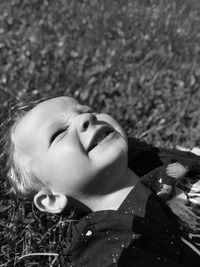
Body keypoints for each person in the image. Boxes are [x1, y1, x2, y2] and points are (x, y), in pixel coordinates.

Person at [2, 96, 200, 266]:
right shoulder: (110, 243)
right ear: (51, 199)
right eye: (58, 133)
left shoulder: (160, 163)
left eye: (88, 111)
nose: (86, 118)